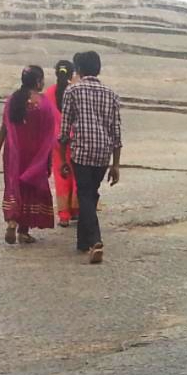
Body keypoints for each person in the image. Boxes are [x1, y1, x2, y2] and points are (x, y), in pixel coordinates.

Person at [58, 50, 123, 264]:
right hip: (103, 153)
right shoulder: (111, 94)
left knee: (85, 194)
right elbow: (116, 131)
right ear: (98, 69)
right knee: (90, 194)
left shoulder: (72, 90)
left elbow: (65, 129)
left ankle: (95, 241)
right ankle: (82, 241)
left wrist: (63, 159)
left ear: (79, 69)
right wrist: (116, 164)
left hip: (82, 152)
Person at [0, 65, 60, 245]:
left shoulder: (13, 100)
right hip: (35, 155)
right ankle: (24, 232)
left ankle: (12, 221)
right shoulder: (43, 103)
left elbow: (4, 128)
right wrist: (47, 157)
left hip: (15, 154)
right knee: (30, 188)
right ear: (38, 81)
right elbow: (50, 132)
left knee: (14, 186)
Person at [50, 59, 78, 226]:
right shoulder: (76, 91)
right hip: (76, 139)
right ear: (72, 73)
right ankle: (76, 209)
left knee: (61, 176)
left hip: (56, 141)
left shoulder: (49, 93)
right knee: (77, 175)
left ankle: (64, 215)